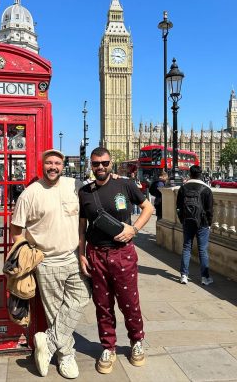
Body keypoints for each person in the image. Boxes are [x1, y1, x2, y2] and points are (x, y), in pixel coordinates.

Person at [10, 149, 91, 379]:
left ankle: (48, 340)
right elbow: (16, 229)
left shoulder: (74, 185)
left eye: (57, 163)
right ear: (42, 165)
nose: (53, 167)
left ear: (63, 165)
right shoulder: (30, 193)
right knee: (55, 312)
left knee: (83, 297)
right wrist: (28, 254)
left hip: (74, 257)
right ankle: (66, 357)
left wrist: (116, 177)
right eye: (49, 163)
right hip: (47, 262)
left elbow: (97, 191)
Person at [78, 147, 154, 373]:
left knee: (129, 302)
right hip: (96, 253)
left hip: (123, 253)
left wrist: (134, 229)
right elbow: (82, 227)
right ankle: (108, 347)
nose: (100, 167)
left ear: (111, 163)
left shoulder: (126, 185)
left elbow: (147, 208)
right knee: (102, 304)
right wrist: (81, 253)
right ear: (91, 166)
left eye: (104, 163)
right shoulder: (84, 192)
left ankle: (136, 341)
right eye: (96, 164)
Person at [176, 165, 214, 285]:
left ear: (190, 174)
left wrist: (182, 220)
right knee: (202, 250)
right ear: (201, 174)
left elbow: (178, 207)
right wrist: (209, 223)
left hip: (188, 221)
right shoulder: (206, 189)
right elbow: (210, 209)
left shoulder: (183, 188)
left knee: (187, 247)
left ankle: (184, 275)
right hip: (202, 223)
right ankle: (205, 277)